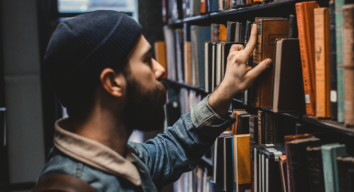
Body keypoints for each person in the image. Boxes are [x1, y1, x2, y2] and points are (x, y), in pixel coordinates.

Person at [34, 10, 271, 192]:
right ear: (113, 83)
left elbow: (174, 146)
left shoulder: (120, 156)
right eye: (147, 60)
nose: (161, 69)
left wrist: (226, 90)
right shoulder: (73, 185)